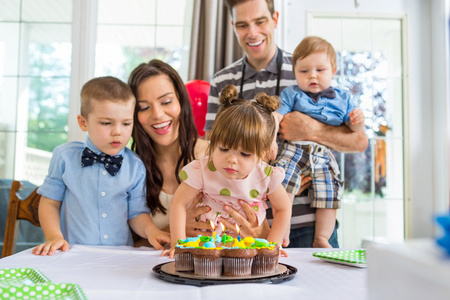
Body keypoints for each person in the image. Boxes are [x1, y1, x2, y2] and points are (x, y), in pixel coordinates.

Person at [206, 0, 369, 248]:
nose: (252, 32)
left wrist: (312, 130)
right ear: (233, 26)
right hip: (242, 222)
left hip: (308, 225)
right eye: (242, 25)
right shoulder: (222, 80)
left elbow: (359, 142)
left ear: (275, 19)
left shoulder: (306, 68)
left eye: (260, 21)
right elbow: (211, 150)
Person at [128, 60, 270, 245]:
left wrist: (255, 230)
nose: (157, 114)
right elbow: (132, 245)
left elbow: (264, 234)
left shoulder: (218, 157)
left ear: (181, 101)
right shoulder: (131, 168)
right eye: (144, 107)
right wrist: (175, 229)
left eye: (166, 102)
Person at [32, 76, 170, 256]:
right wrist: (53, 236)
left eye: (126, 123)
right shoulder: (64, 156)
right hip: (71, 254)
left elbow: (136, 213)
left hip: (118, 257)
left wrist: (152, 231)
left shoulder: (135, 165)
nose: (117, 132)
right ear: (83, 123)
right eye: (106, 123)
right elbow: (50, 203)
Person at [164, 85, 292, 257]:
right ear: (213, 142)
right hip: (205, 247)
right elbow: (178, 203)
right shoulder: (202, 169)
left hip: (248, 250)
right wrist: (178, 244)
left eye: (244, 154)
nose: (231, 159)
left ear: (262, 153)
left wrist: (272, 245)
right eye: (223, 149)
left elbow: (283, 208)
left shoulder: (266, 176)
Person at [272, 36, 365, 248]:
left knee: (329, 192)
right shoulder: (291, 94)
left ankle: (322, 237)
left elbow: (354, 132)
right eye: (304, 71)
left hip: (323, 152)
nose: (312, 75)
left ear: (333, 70)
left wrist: (357, 123)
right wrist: (272, 131)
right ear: (295, 72)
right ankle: (282, 231)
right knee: (282, 182)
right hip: (293, 149)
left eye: (320, 70)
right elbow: (278, 115)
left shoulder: (343, 97)